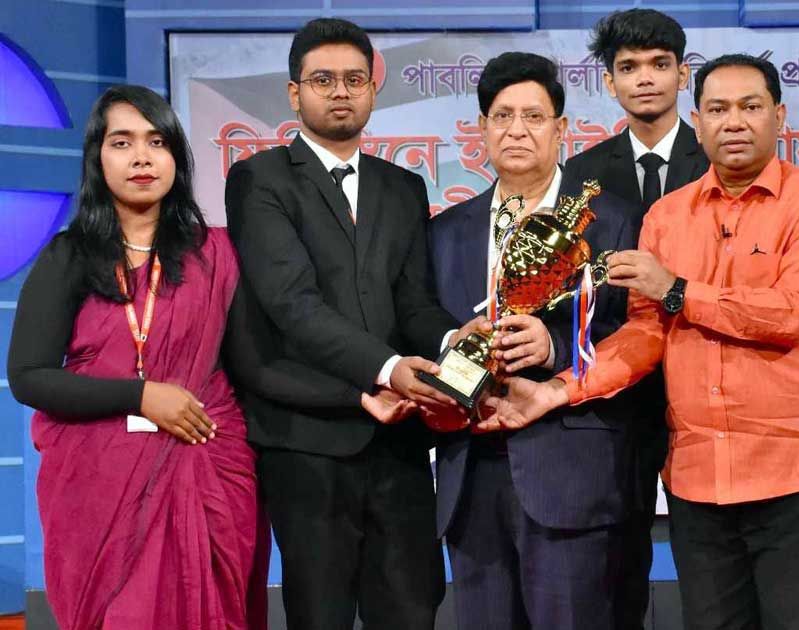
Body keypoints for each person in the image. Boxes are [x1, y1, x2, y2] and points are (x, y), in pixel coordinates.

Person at [484, 54, 799, 630]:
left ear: (780, 117)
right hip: (697, 478)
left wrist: (678, 290)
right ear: (697, 121)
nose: (734, 122)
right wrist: (556, 391)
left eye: (751, 107)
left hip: (798, 474)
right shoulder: (665, 216)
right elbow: (644, 334)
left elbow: (795, 312)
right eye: (718, 109)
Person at [223, 18, 477, 630]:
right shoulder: (259, 179)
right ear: (294, 93)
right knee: (321, 613)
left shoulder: (403, 186)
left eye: (354, 79)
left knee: (412, 608)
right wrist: (388, 370)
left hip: (399, 442)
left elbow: (412, 303)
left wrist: (454, 341)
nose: (340, 91)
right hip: (307, 439)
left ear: (372, 90)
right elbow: (292, 302)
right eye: (323, 79)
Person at [7, 85, 268, 630]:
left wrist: (364, 388)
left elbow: (252, 370)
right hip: (98, 487)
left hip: (208, 470)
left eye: (157, 141)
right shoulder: (69, 256)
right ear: (98, 159)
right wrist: (142, 396)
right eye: (122, 142)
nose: (142, 158)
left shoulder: (217, 254)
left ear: (176, 155)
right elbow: (29, 376)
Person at [425, 51, 638, 630]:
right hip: (471, 475)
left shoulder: (612, 222)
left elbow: (636, 334)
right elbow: (422, 321)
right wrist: (453, 344)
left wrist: (555, 347)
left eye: (533, 117)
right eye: (502, 116)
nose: (516, 130)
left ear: (561, 128)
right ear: (481, 128)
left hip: (568, 472)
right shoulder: (445, 231)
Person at [563, 11, 709, 626]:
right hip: (616, 395)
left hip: (706, 386)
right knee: (616, 561)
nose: (645, 79)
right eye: (629, 68)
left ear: (683, 73)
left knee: (707, 565)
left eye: (658, 65)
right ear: (609, 82)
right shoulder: (581, 175)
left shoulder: (719, 158)